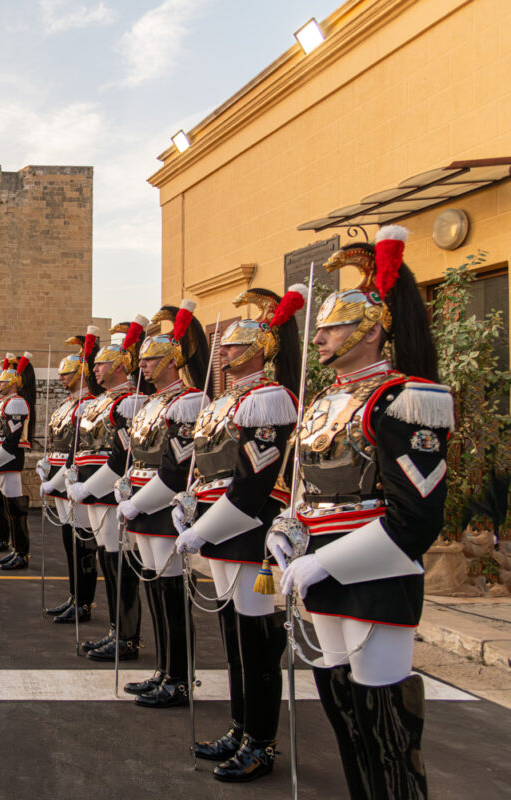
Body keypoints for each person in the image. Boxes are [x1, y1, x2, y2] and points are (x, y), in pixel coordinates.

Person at [268, 226, 450, 799]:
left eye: (334, 325)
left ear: (372, 331)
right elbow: (304, 488)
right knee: (344, 717)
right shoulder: (325, 401)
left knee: (385, 726)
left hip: (376, 575)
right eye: (319, 326)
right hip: (321, 570)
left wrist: (327, 562)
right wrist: (286, 527)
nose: (318, 337)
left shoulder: (404, 398)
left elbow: (415, 521)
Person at [170, 286, 305, 781]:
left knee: (254, 638)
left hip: (247, 528)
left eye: (230, 345)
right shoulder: (228, 401)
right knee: (232, 633)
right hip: (220, 524)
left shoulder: (268, 399)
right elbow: (207, 470)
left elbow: (252, 486)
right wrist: (191, 505)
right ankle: (240, 725)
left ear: (256, 349)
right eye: (222, 346)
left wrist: (204, 528)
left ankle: (261, 741)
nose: (221, 351)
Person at [117, 299, 210, 709]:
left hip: (163, 505)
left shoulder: (187, 402)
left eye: (151, 358)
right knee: (155, 587)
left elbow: (175, 471)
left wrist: (137, 502)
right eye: (142, 358)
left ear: (173, 360)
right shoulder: (152, 403)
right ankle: (164, 669)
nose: (143, 365)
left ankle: (180, 675)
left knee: (172, 592)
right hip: (141, 501)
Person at [67, 316, 150, 662]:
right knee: (106, 559)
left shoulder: (128, 402)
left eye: (101, 364)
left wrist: (89, 487)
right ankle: (116, 629)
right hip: (93, 488)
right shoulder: (100, 402)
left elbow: (121, 455)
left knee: (120, 563)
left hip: (112, 489)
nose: (95, 370)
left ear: (118, 365)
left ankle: (128, 635)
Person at [38, 329, 100, 622]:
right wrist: (46, 464)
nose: (62, 378)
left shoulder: (87, 404)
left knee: (82, 541)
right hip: (59, 475)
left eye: (67, 374)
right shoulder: (66, 405)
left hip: (75, 478)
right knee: (68, 540)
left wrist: (59, 475)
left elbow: (79, 448)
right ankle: (74, 595)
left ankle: (84, 602)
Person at [0, 353, 36, 571]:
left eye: (2, 381)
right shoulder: (3, 403)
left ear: (12, 384)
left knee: (14, 507)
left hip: (9, 458)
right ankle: (12, 546)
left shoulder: (16, 403)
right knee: (3, 504)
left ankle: (22, 551)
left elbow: (12, 439)